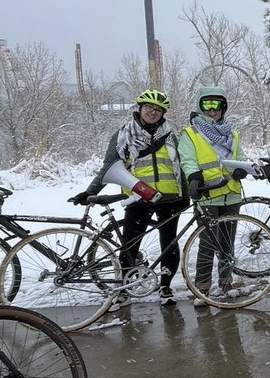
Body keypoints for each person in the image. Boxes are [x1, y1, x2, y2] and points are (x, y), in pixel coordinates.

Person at [72, 89, 187, 308]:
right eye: (149, 107)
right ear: (140, 108)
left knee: (169, 244)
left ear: (163, 113)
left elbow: (181, 167)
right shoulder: (123, 136)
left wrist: (185, 195)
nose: (152, 112)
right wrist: (90, 191)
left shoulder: (171, 136)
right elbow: (110, 167)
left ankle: (165, 286)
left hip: (169, 198)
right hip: (137, 199)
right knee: (130, 246)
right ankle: (124, 289)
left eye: (158, 109)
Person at [178, 86, 249, 307]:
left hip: (231, 194)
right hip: (207, 194)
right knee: (208, 243)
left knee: (227, 243)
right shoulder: (190, 133)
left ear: (223, 107)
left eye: (216, 104)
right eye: (206, 104)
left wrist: (243, 169)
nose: (212, 109)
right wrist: (193, 177)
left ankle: (226, 283)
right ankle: (203, 288)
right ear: (200, 107)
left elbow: (241, 157)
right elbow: (187, 159)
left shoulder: (232, 134)